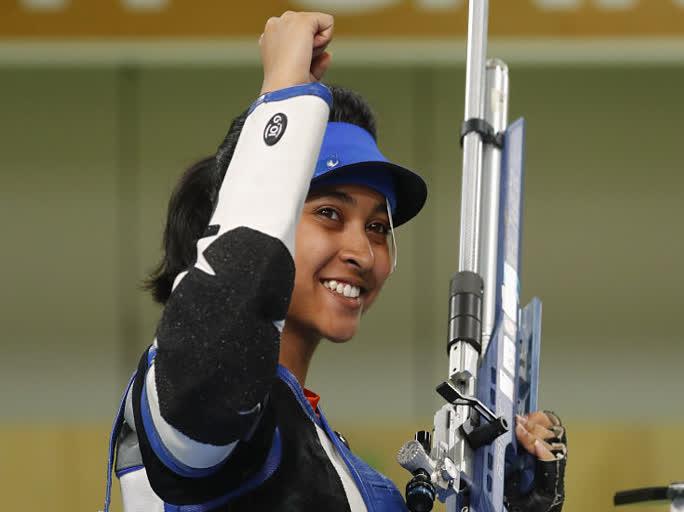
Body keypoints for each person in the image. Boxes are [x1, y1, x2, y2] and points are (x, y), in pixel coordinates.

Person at [104, 11, 567, 512]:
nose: (363, 252)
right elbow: (218, 345)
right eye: (328, 214)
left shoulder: (322, 451)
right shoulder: (195, 398)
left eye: (377, 227)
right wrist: (282, 94)